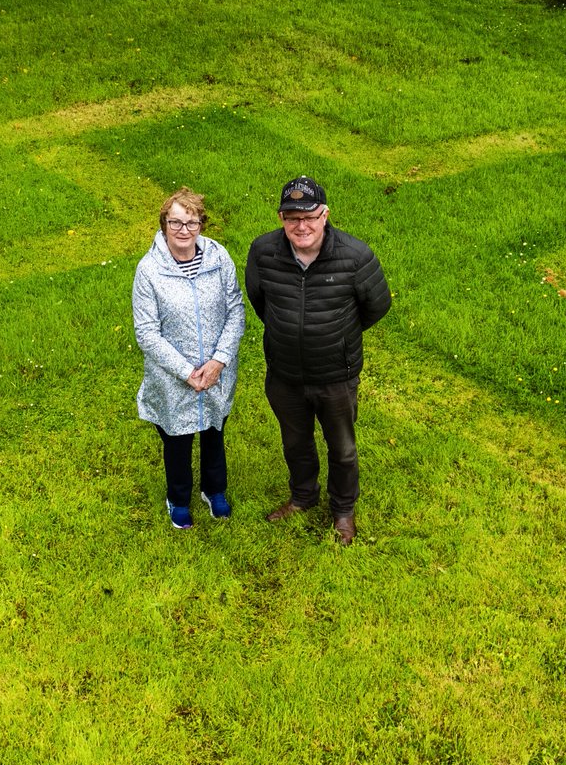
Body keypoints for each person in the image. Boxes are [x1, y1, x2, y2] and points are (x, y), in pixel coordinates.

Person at [245, 175, 391, 545]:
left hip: (335, 377)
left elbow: (377, 306)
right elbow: (260, 300)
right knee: (295, 444)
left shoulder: (356, 256)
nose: (302, 226)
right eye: (292, 218)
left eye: (309, 216)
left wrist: (336, 335)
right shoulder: (263, 252)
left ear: (324, 215)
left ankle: (342, 510)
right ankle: (303, 497)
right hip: (284, 375)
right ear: (281, 218)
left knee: (342, 449)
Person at [133, 188, 245, 530]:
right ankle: (178, 499)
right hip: (173, 376)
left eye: (191, 222)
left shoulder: (219, 258)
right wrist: (186, 372)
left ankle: (215, 490)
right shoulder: (149, 270)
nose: (184, 230)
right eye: (176, 222)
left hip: (216, 371)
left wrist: (219, 361)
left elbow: (236, 310)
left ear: (201, 224)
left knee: (214, 431)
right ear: (164, 224)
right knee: (177, 440)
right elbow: (147, 332)